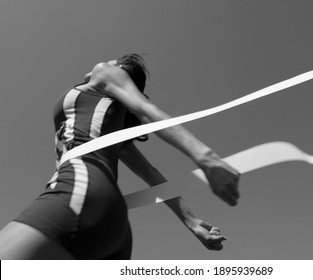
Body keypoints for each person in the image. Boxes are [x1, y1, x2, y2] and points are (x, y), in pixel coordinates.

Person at [0, 54, 240, 259]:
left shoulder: (104, 73)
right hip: (115, 227)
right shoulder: (111, 129)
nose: (102, 61)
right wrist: (193, 222)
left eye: (112, 60)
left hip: (78, 195)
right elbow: (151, 174)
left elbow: (146, 111)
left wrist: (207, 158)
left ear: (120, 69)